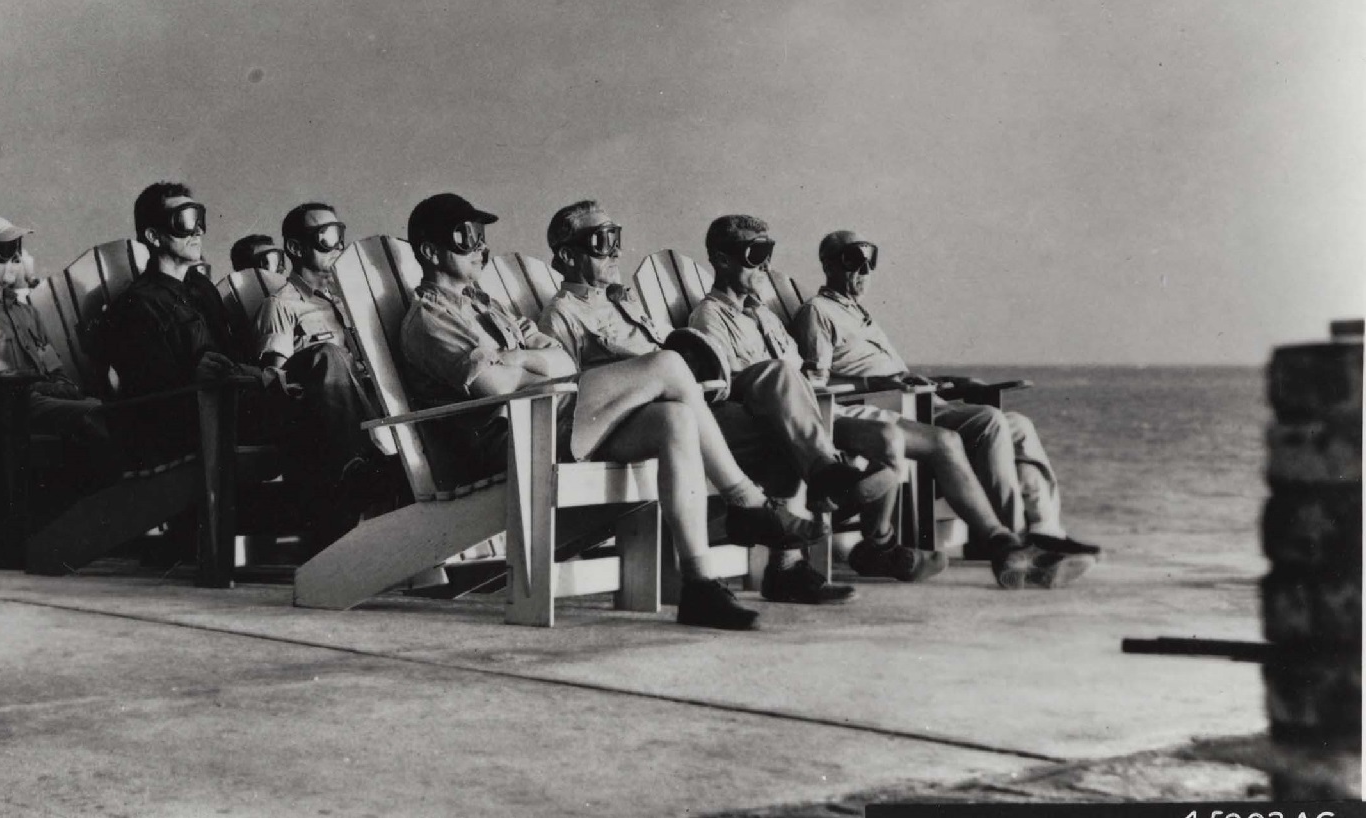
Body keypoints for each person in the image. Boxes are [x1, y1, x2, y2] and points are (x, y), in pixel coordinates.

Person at [401, 193, 815, 631]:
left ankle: (700, 585)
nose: (481, 247)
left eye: (482, 235)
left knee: (674, 420)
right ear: (430, 251)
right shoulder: (430, 319)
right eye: (466, 237)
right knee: (668, 364)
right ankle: (746, 501)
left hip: (556, 419)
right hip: (514, 439)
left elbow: (560, 360)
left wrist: (515, 358)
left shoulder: (488, 306)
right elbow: (495, 387)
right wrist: (528, 366)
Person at [536, 204, 924, 607]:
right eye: (602, 241)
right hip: (636, 424)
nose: (616, 250)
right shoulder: (563, 314)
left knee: (780, 421)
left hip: (695, 408)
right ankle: (812, 492)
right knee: (773, 384)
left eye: (616, 237)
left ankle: (789, 562)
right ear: (567, 255)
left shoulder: (627, 305)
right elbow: (573, 395)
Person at [793, 230, 1101, 587]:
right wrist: (881, 383)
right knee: (989, 421)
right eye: (852, 262)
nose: (863, 272)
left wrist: (948, 380)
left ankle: (1045, 531)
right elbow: (814, 383)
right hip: (886, 406)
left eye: (869, 262)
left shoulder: (859, 313)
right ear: (828, 265)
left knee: (1018, 425)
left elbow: (895, 373)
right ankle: (1013, 545)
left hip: (915, 399)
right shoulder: (818, 312)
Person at [96, 182, 275, 463]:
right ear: (153, 236)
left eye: (199, 219)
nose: (198, 231)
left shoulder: (201, 287)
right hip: (194, 424)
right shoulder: (136, 304)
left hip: (237, 400)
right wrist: (195, 375)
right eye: (185, 221)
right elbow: (147, 390)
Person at [252, 203, 397, 546]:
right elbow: (274, 379)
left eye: (340, 234)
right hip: (319, 427)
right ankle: (358, 467)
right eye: (326, 236)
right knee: (327, 355)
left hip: (375, 410)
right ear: (295, 247)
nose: (338, 245)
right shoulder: (281, 305)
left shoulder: (349, 302)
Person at [0, 214, 116, 503]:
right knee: (95, 414)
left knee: (115, 411)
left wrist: (60, 385)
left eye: (17, 248)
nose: (16, 257)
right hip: (4, 408)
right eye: (5, 250)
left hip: (40, 401)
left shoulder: (26, 313)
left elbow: (53, 365)